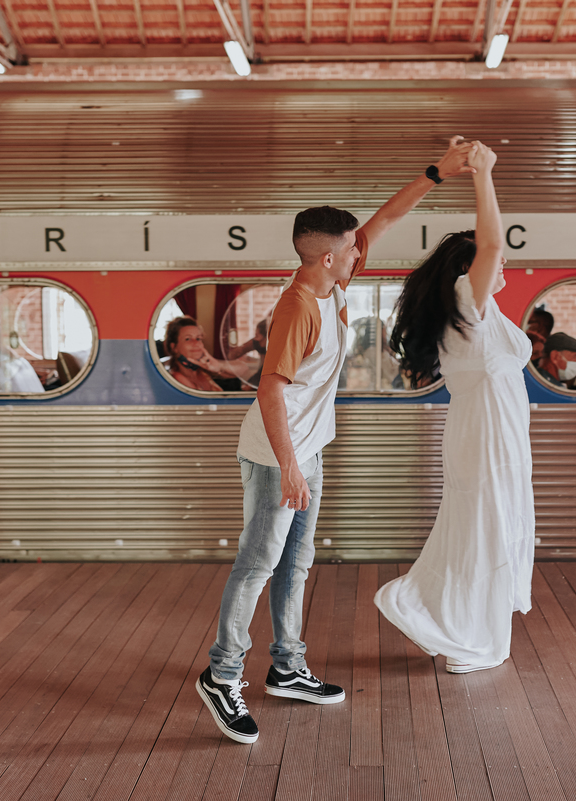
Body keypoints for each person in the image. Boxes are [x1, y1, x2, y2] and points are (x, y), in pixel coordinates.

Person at [196, 136, 477, 745]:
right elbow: (270, 391)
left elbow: (386, 218)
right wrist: (290, 466)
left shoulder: (333, 283)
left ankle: (287, 668)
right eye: (351, 248)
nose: (361, 252)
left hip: (306, 449)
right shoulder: (299, 307)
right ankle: (222, 675)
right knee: (258, 564)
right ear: (328, 256)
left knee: (296, 564)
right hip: (276, 455)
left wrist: (437, 172)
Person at [375, 141, 534, 676]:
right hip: (486, 435)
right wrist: (483, 174)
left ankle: (472, 634)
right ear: (467, 271)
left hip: (494, 434)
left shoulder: (478, 312)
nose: (504, 260)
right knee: (484, 529)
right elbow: (492, 244)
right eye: (492, 261)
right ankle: (463, 636)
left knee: (487, 527)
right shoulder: (469, 303)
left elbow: (491, 249)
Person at [163, 316, 260, 391]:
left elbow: (244, 368)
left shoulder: (203, 370)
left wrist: (218, 365)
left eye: (198, 338)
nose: (196, 343)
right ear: (174, 347)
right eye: (188, 339)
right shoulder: (176, 378)